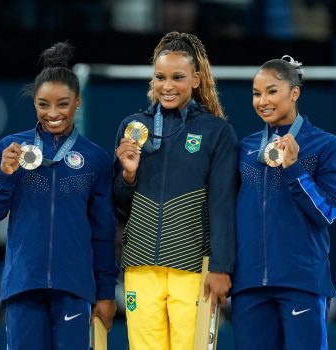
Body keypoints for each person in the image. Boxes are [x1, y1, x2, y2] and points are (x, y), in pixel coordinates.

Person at [0, 41, 118, 350]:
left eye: (62, 104)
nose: (52, 114)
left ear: (78, 102)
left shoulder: (94, 159)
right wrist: (3, 175)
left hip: (74, 286)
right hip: (24, 284)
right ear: (34, 103)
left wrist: (105, 292)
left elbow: (103, 233)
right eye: (43, 104)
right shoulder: (11, 148)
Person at [113, 31, 238, 349]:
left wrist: (222, 266)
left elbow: (222, 203)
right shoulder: (133, 128)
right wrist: (127, 176)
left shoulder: (217, 132)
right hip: (140, 269)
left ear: (195, 79)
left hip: (194, 270)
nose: (167, 86)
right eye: (160, 77)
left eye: (177, 77)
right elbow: (119, 206)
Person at [231, 56, 336, 350]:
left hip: (301, 282)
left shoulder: (327, 146)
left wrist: (295, 169)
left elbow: (329, 211)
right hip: (249, 285)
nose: (262, 101)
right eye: (257, 94)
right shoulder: (245, 148)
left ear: (294, 93)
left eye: (272, 91)